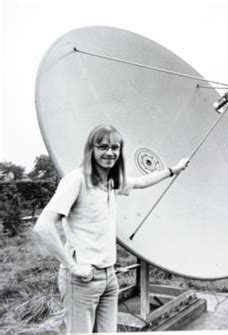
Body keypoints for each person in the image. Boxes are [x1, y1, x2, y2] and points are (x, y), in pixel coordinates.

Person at [33, 124, 189, 333]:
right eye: (103, 147)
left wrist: (173, 170)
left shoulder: (111, 181)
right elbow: (43, 226)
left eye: (115, 148)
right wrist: (73, 266)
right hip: (82, 279)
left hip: (109, 276)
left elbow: (141, 182)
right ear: (92, 149)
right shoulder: (76, 180)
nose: (110, 152)